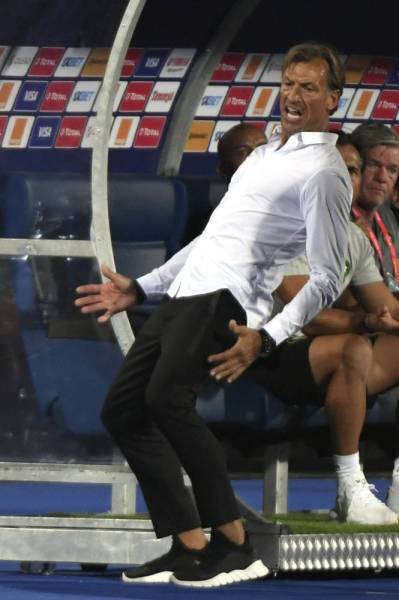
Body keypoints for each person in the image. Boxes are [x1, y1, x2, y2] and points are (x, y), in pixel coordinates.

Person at [75, 42, 351, 588]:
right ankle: (189, 543)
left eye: (309, 88)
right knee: (123, 411)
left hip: (227, 301)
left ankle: (237, 545)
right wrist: (141, 287)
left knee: (166, 401)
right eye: (289, 84)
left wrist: (267, 338)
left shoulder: (324, 172)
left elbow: (327, 278)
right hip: (186, 295)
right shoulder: (266, 153)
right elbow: (210, 239)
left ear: (332, 99)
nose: (294, 96)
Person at [274, 133, 399, 520]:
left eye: (352, 172)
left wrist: (376, 318)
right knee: (353, 346)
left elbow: (388, 310)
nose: (349, 179)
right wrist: (362, 320)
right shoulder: (288, 226)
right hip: (268, 351)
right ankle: (350, 486)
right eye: (339, 170)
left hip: (324, 352)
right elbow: (302, 314)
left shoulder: (354, 239)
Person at [350, 123, 399, 293]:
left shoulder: (388, 215)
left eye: (392, 170)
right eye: (373, 165)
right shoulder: (334, 220)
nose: (382, 178)